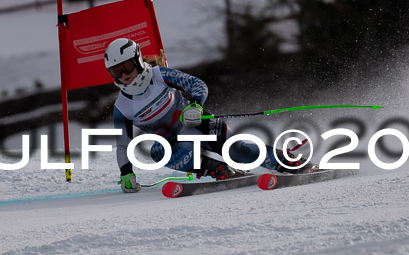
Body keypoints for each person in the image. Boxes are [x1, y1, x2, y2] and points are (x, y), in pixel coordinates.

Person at [104, 38, 316, 193]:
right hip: (177, 143)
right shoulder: (122, 106)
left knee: (237, 150)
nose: (123, 75)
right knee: (158, 151)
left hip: (198, 123)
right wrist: (126, 173)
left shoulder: (159, 75)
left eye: (126, 67)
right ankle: (219, 169)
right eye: (116, 71)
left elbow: (197, 84)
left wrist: (195, 105)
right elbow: (123, 144)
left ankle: (293, 162)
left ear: (138, 60)